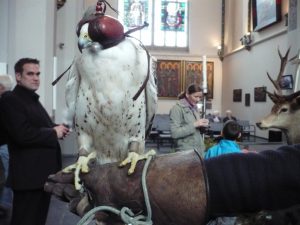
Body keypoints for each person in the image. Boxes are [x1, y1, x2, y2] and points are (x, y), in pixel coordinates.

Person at [0, 58, 70, 225]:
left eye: (38, 74)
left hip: (40, 177)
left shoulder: (31, 99)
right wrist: (53, 132)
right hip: (28, 178)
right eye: (30, 74)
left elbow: (38, 126)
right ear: (18, 76)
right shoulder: (11, 99)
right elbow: (22, 134)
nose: (36, 78)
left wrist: (57, 127)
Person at [169, 83, 209, 156]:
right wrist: (195, 124)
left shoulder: (194, 108)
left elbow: (196, 131)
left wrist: (203, 127)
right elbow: (174, 133)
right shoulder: (177, 108)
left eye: (200, 97)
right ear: (187, 94)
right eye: (195, 96)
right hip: (186, 152)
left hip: (198, 150)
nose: (198, 100)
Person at [0, 74, 14, 225]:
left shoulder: (5, 103)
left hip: (4, 146)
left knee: (8, 174)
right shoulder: (12, 102)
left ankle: (4, 204)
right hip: (6, 146)